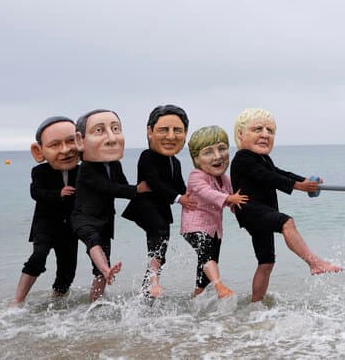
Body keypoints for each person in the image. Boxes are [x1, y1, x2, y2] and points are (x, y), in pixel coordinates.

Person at [230, 107, 341, 303]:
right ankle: (314, 263)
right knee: (286, 223)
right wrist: (299, 186)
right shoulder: (243, 158)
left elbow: (281, 173)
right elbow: (269, 177)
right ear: (240, 134)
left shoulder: (263, 158)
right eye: (258, 129)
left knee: (266, 262)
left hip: (260, 213)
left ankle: (255, 304)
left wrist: (306, 181)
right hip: (251, 210)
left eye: (270, 131)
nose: (265, 134)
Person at [71, 109, 149, 301]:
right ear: (81, 141)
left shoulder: (114, 164)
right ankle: (106, 270)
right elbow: (108, 188)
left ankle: (94, 301)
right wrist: (137, 190)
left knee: (100, 268)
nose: (111, 138)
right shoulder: (87, 169)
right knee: (93, 241)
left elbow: (122, 186)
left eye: (116, 129)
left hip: (105, 219)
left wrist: (146, 196)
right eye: (100, 130)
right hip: (84, 217)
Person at [122, 104, 191, 298]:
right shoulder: (147, 156)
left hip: (161, 208)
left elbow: (179, 185)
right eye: (164, 130)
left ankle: (147, 293)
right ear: (150, 132)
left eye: (177, 130)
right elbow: (154, 182)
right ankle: (154, 282)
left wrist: (194, 197)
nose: (171, 136)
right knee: (158, 231)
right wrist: (178, 199)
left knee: (162, 248)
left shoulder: (175, 162)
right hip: (144, 205)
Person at [11, 115, 81, 306]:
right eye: (55, 145)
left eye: (71, 142)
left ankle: (57, 300)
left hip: (70, 227)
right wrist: (58, 193)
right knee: (38, 257)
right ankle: (18, 300)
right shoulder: (40, 171)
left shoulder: (82, 171)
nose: (65, 150)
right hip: (46, 224)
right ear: (39, 151)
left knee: (68, 268)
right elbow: (36, 192)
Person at [181, 125, 248, 298]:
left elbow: (236, 201)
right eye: (208, 152)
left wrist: (250, 216)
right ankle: (220, 288)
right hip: (194, 227)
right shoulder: (196, 176)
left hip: (214, 230)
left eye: (222, 149)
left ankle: (196, 297)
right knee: (207, 256)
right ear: (196, 159)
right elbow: (207, 193)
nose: (218, 156)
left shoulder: (225, 179)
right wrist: (229, 199)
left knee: (207, 265)